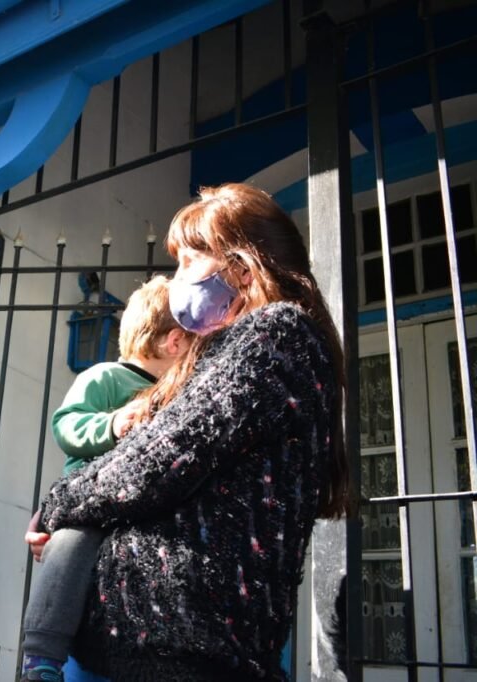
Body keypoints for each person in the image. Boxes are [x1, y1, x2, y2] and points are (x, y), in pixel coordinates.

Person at [37, 183, 352, 682]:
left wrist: (56, 506)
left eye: (189, 261)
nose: (177, 279)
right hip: (141, 648)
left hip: (179, 653)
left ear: (241, 269)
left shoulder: (275, 334)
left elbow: (156, 461)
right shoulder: (228, 351)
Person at [20, 276, 192, 681]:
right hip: (89, 507)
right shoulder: (107, 377)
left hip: (139, 514)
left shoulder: (180, 396)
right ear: (175, 342)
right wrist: (112, 424)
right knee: (70, 549)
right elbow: (66, 425)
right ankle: (41, 655)